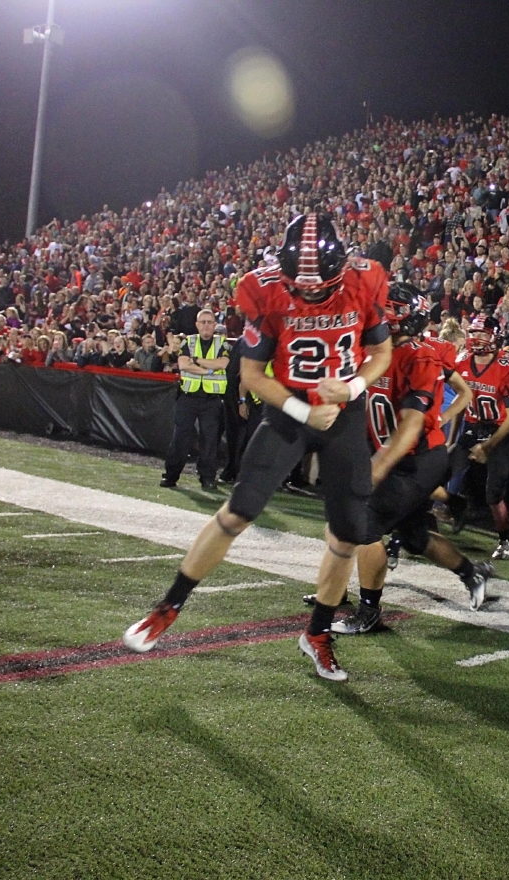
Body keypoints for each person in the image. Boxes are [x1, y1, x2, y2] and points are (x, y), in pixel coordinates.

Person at [124, 212, 392, 683]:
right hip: (289, 409)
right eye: (300, 285)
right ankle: (169, 605)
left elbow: (382, 354)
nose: (309, 293)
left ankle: (316, 633)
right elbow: (250, 376)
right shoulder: (264, 289)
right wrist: (303, 412)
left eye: (320, 285)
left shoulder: (364, 280)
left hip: (344, 414)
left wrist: (350, 390)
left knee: (348, 532)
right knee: (238, 509)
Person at [328, 282, 492, 635]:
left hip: (417, 458)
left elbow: (413, 422)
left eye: (389, 310)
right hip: (395, 455)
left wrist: (380, 465)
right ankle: (470, 571)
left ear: (409, 319)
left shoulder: (419, 357)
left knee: (365, 526)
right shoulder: (372, 352)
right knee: (415, 535)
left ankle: (368, 612)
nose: (379, 315)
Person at [450, 314, 509, 559]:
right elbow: (462, 403)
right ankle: (419, 525)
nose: (476, 338)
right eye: (474, 333)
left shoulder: (508, 366)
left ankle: (505, 541)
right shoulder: (461, 361)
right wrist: (452, 440)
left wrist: (488, 447)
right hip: (472, 425)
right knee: (437, 471)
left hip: (498, 431)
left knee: (494, 492)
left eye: (483, 333)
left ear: (495, 336)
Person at [160, 309, 229, 491]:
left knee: (209, 440)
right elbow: (183, 365)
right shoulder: (189, 341)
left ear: (215, 325)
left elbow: (222, 364)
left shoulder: (222, 343)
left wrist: (196, 361)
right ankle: (171, 475)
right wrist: (208, 369)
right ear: (197, 325)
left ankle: (207, 478)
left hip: (211, 400)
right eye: (203, 322)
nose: (206, 325)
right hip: (188, 397)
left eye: (209, 322)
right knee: (180, 438)